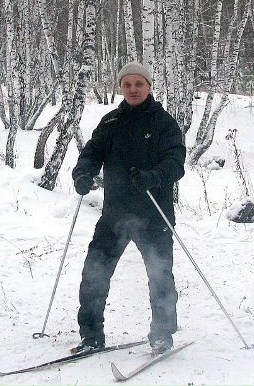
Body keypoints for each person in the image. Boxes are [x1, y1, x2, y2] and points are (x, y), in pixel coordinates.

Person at [71, 62, 186, 356]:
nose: (133, 90)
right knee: (93, 275)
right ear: (120, 88)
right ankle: (91, 336)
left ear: (149, 87)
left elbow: (176, 163)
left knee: (160, 277)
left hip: (153, 215)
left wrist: (153, 176)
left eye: (139, 84)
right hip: (115, 215)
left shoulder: (164, 123)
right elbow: (91, 152)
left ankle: (162, 336)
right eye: (127, 85)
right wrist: (82, 173)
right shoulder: (110, 122)